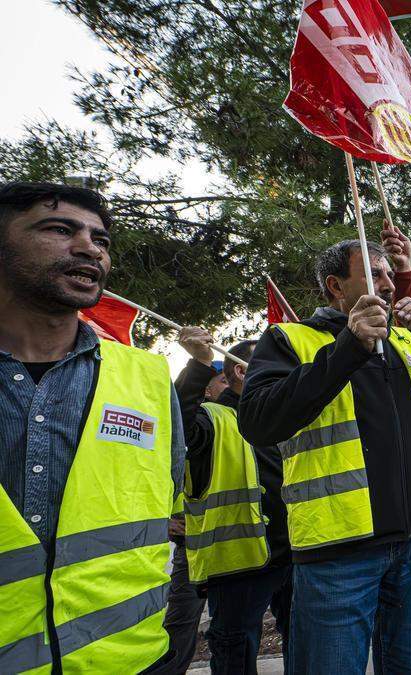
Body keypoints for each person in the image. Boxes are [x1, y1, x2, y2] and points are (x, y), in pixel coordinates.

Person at [239, 237, 411, 674]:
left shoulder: (408, 340)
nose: (389, 282)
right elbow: (258, 421)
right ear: (336, 285)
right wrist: (349, 345)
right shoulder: (289, 340)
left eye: (390, 272)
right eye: (375, 272)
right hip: (338, 553)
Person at [0, 182, 184, 672]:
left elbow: (164, 491)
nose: (88, 247)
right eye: (60, 229)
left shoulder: (147, 377)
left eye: (100, 240)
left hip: (128, 659)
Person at [175, 330, 294, 673]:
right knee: (235, 648)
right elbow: (175, 426)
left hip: (293, 552)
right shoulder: (211, 418)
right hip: (237, 563)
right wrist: (198, 364)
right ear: (241, 371)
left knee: (302, 640)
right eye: (273, 362)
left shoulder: (280, 414)